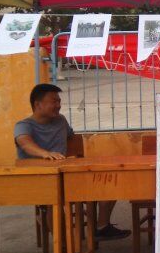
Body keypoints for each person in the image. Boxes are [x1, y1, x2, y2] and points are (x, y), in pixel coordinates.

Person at [14, 83, 130, 241]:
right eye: (54, 101)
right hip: (40, 178)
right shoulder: (23, 125)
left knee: (108, 182)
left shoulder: (60, 120)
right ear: (37, 104)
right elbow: (25, 143)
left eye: (59, 101)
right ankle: (62, 245)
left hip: (65, 174)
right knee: (54, 202)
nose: (58, 105)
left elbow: (74, 139)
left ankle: (101, 227)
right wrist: (46, 154)